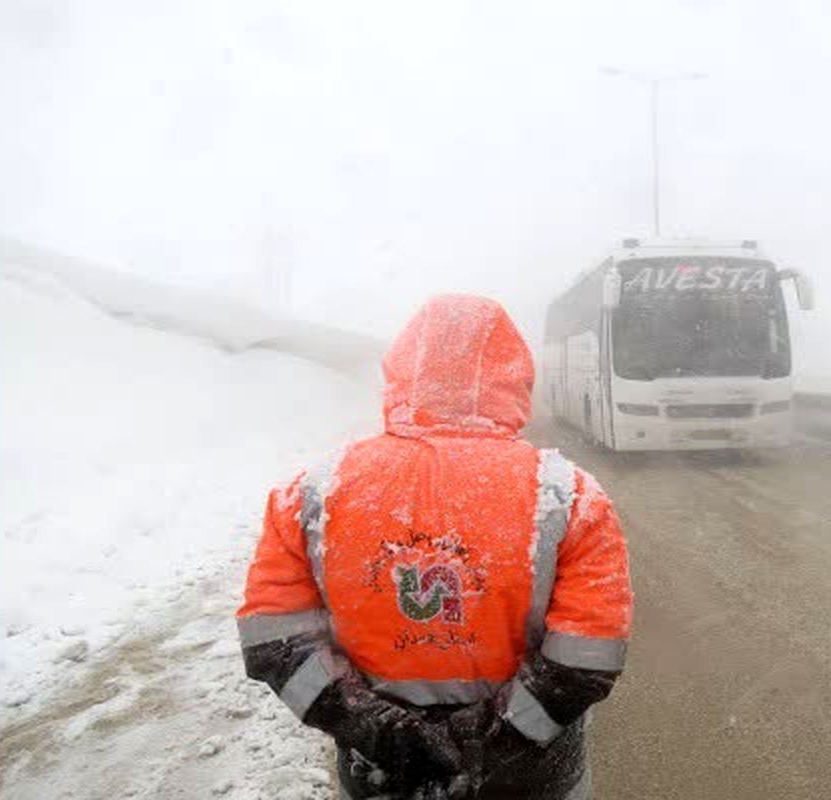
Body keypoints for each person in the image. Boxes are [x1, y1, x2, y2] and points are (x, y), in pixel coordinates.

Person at [236, 294, 633, 799]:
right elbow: (586, 655)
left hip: (382, 770)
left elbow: (274, 642)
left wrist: (376, 728)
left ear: (403, 370)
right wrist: (496, 738)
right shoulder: (569, 497)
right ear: (514, 375)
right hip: (530, 770)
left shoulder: (313, 493)